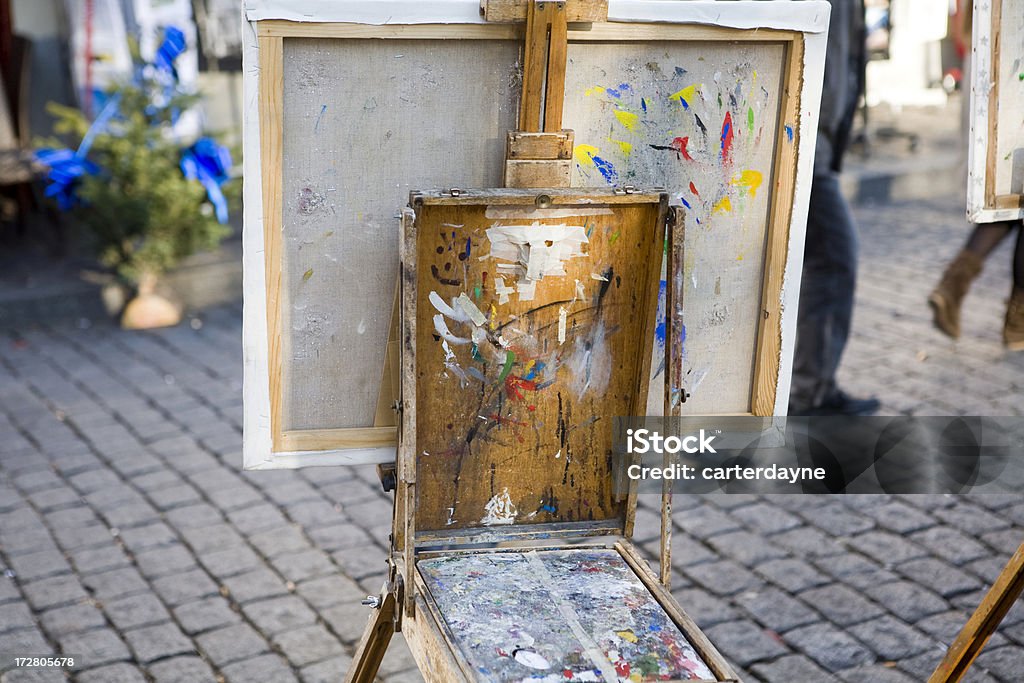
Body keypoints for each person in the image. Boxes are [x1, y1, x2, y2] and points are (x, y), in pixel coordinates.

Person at [789, 0, 881, 416]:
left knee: (824, 259)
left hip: (815, 138)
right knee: (833, 257)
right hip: (796, 133)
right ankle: (808, 392)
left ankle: (812, 388)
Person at [927, 0, 1024, 351]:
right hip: (1010, 66)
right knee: (1016, 198)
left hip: (993, 63)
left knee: (1013, 199)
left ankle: (954, 286)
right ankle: (1017, 321)